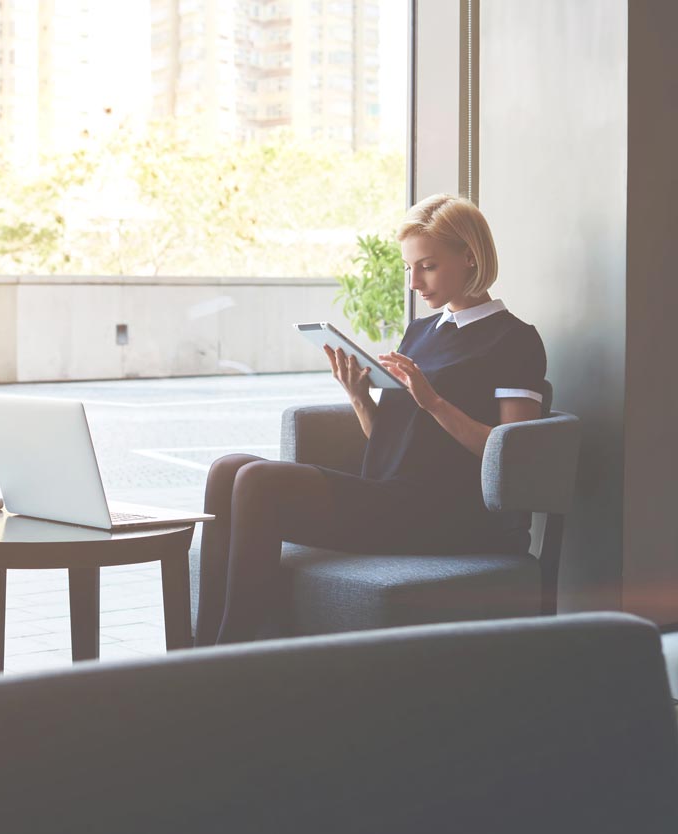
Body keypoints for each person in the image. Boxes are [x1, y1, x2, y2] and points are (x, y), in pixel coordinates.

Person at [196, 194, 546, 646]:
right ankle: (198, 651)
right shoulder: (422, 331)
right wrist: (361, 398)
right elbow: (397, 442)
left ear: (470, 257)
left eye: (428, 266)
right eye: (409, 268)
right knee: (228, 469)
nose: (415, 281)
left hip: (447, 514)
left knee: (259, 480)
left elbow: (514, 457)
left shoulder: (513, 339)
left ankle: (232, 655)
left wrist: (434, 402)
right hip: (392, 495)